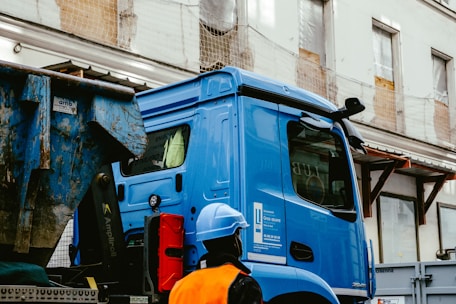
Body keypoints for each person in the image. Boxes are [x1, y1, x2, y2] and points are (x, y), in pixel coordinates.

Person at [169, 203, 263, 304]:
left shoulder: (179, 287)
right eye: (238, 234)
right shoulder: (242, 284)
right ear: (235, 239)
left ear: (204, 242)